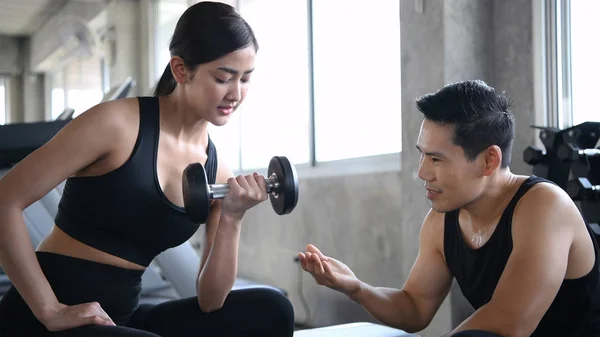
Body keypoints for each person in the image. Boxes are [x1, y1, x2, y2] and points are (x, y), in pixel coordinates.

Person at [0, 2, 294, 336]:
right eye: (224, 78)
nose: (236, 94)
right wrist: (50, 310)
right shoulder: (115, 124)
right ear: (181, 70)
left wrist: (232, 217)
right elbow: (4, 199)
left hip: (118, 320)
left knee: (272, 309)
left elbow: (211, 301)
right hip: (46, 318)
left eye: (245, 79)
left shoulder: (217, 173)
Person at [298, 80, 600, 337]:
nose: (422, 173)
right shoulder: (442, 221)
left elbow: (511, 321)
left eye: (437, 159)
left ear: (488, 161)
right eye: (423, 156)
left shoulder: (544, 206)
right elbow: (415, 307)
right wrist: (358, 288)